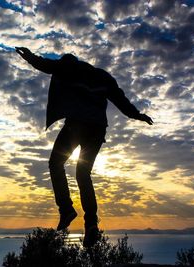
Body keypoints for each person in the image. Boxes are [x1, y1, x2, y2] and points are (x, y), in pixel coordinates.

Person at [15, 47, 153, 248]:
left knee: (55, 164)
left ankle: (67, 210)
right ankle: (90, 225)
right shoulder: (102, 76)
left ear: (67, 63)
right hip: (97, 130)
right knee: (83, 174)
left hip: (76, 126)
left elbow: (46, 65)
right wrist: (137, 115)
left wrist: (29, 57)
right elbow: (120, 100)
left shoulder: (68, 69)